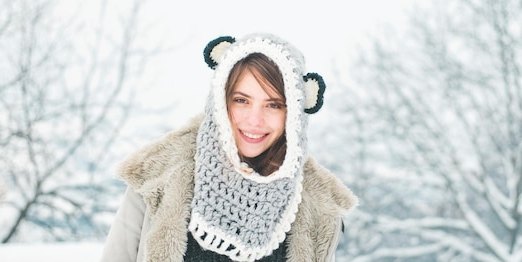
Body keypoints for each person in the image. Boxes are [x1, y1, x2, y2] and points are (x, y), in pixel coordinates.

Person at [100, 33, 358, 262]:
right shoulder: (156, 178)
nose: (255, 120)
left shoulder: (319, 207)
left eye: (274, 105)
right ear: (220, 101)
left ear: (296, 114)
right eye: (241, 100)